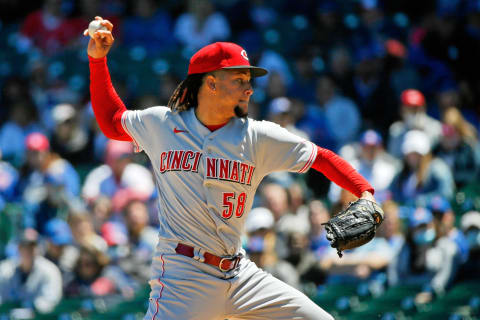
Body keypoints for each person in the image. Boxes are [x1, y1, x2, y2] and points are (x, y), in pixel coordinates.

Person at [84, 17, 378, 320]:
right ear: (211, 83)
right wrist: (98, 60)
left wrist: (365, 192)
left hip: (240, 276)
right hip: (183, 278)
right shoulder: (162, 124)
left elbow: (321, 157)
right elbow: (112, 120)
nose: (249, 89)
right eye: (239, 79)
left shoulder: (257, 136)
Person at [0, 229, 62, 314]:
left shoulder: (50, 271)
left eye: (33, 246)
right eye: (25, 246)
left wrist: (28, 309)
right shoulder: (5, 269)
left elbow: (51, 302)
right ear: (19, 248)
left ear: (39, 248)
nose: (29, 251)